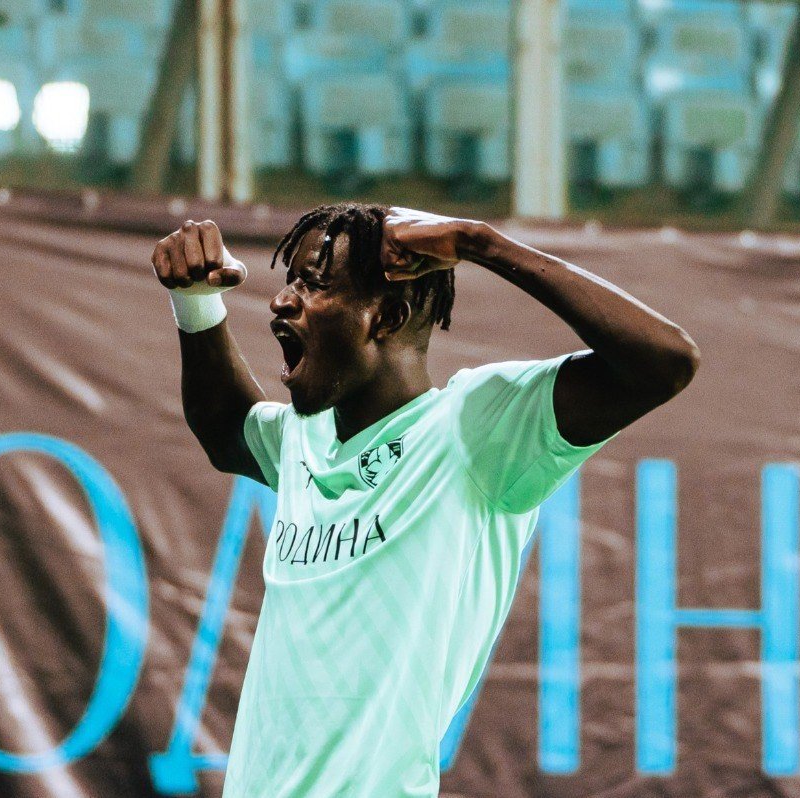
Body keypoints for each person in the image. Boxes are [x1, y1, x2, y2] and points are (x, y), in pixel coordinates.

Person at [151, 203, 700, 797]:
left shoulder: (472, 429)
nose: (282, 301)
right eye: (291, 282)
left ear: (387, 317)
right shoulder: (304, 438)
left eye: (313, 284)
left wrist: (481, 243)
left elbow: (664, 363)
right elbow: (225, 428)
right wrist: (197, 303)